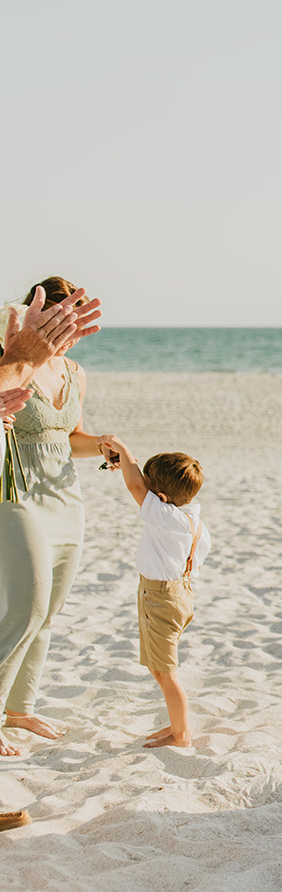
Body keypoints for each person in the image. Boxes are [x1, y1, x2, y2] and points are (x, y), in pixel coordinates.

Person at [0, 278, 118, 756]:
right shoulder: (9, 361)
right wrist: (19, 359)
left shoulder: (75, 371)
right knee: (25, 607)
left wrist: (105, 445)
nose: (65, 332)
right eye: (56, 320)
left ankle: (20, 708)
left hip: (65, 496)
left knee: (48, 613)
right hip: (15, 491)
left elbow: (71, 438)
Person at [100, 438, 210, 748]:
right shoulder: (194, 521)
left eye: (152, 490)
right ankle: (178, 725)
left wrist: (125, 451)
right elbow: (141, 486)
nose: (144, 491)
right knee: (157, 666)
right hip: (177, 594)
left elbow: (136, 489)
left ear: (161, 497)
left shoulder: (168, 519)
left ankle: (182, 734)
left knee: (165, 672)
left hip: (161, 598)